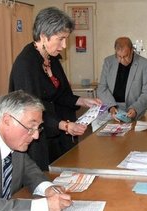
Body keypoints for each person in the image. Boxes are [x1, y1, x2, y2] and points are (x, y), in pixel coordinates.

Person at [9, 7, 102, 171]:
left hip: (57, 133)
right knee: (43, 179)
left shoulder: (52, 59)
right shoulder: (26, 64)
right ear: (44, 36)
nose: (65, 45)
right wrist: (65, 126)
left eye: (66, 39)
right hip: (37, 137)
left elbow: (60, 95)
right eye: (61, 39)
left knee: (65, 173)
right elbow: (31, 111)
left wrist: (82, 100)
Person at [97, 37, 147, 121]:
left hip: (133, 111)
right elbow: (102, 87)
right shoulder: (108, 62)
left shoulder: (145, 65)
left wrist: (135, 108)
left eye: (125, 56)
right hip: (111, 108)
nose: (122, 60)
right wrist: (111, 107)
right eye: (119, 56)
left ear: (132, 51)